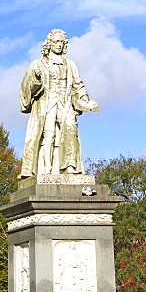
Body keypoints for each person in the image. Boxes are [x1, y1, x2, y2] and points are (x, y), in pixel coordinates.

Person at [19, 29, 99, 179]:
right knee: (47, 134)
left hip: (66, 103)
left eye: (62, 42)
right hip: (46, 104)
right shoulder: (37, 64)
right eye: (56, 41)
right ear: (49, 44)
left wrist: (84, 101)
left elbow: (78, 85)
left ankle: (70, 166)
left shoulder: (70, 65)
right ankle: (46, 170)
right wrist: (36, 80)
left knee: (70, 129)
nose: (59, 45)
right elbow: (26, 88)